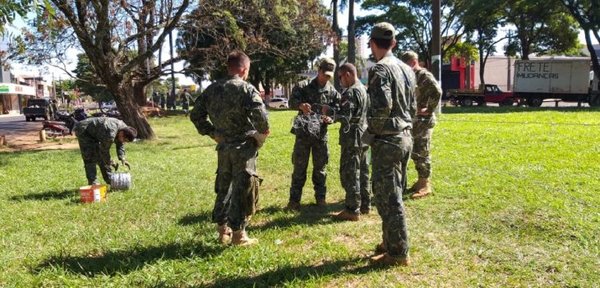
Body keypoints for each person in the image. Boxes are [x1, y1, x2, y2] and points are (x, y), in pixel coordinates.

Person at [190, 50, 269, 246]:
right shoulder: (247, 89)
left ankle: (222, 231)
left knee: (224, 188)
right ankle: (238, 235)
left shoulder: (212, 89)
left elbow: (195, 115)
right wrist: (261, 132)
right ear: (243, 69)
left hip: (223, 147)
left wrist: (212, 133)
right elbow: (262, 120)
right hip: (243, 148)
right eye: (248, 70)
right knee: (241, 190)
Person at [366, 22, 416, 266]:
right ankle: (390, 241)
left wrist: (371, 133)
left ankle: (397, 253)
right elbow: (414, 107)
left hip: (388, 139)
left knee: (389, 196)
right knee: (395, 193)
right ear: (393, 43)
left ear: (373, 44)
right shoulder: (407, 69)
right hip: (406, 136)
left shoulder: (380, 69)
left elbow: (382, 107)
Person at [287, 58, 341, 211]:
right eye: (324, 74)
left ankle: (320, 198)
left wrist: (331, 118)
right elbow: (291, 102)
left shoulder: (333, 92)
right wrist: (300, 105)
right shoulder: (303, 86)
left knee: (320, 168)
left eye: (330, 76)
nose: (326, 78)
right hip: (303, 134)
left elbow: (337, 111)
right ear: (318, 71)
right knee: (299, 168)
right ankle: (294, 201)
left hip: (320, 136)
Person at [401, 51, 442, 199]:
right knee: (416, 152)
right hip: (415, 121)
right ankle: (420, 181)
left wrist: (429, 109)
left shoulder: (423, 75)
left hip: (423, 122)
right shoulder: (411, 76)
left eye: (406, 64)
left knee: (422, 151)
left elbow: (437, 91)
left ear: (413, 62)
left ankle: (425, 185)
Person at [332, 63, 371, 222]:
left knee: (350, 173)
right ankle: (365, 204)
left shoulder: (350, 92)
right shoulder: (363, 89)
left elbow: (345, 116)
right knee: (363, 171)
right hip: (365, 135)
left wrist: (331, 114)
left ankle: (352, 209)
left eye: (340, 77)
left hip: (352, 138)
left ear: (348, 74)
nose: (340, 80)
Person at [73, 117, 137, 185]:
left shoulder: (125, 128)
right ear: (121, 134)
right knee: (90, 157)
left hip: (96, 132)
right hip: (84, 130)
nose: (124, 142)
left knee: (102, 159)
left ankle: (110, 180)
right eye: (124, 140)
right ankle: (93, 182)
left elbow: (120, 143)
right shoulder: (110, 134)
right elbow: (104, 152)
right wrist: (110, 161)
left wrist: (122, 157)